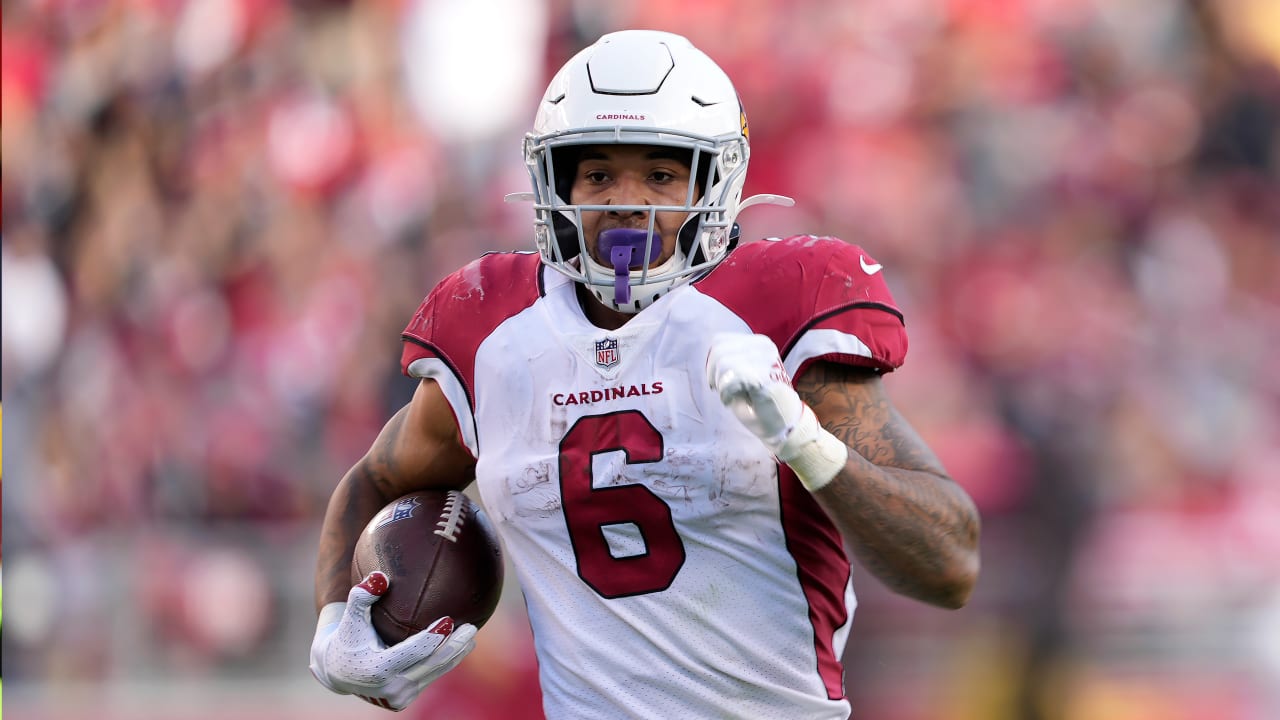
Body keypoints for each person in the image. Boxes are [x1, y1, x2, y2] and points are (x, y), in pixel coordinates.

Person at [309, 29, 980, 718]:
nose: (627, 201)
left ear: (715, 182)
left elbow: (949, 563)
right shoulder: (494, 331)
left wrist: (805, 444)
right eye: (597, 174)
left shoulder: (777, 307)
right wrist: (337, 628)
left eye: (661, 175)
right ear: (554, 182)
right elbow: (378, 479)